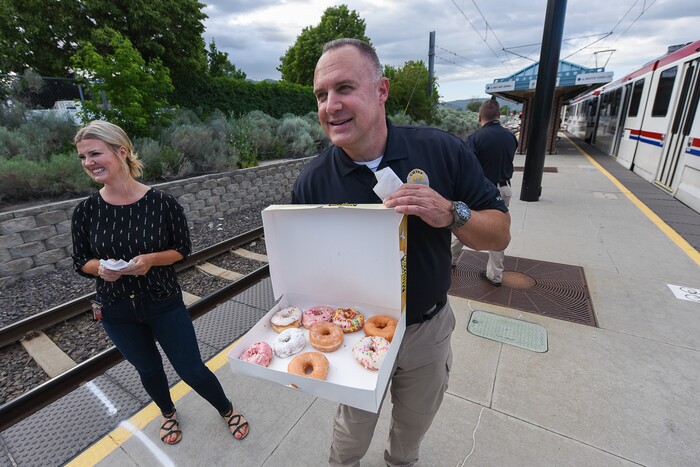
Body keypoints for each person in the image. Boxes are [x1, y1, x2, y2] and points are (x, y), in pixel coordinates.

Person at [292, 38, 510, 467]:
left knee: (410, 433)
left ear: (382, 90)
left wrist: (451, 213)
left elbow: (499, 234)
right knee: (349, 436)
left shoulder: (441, 150)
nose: (330, 105)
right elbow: (305, 273)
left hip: (425, 331)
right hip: (355, 333)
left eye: (344, 88)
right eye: (321, 95)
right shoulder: (311, 183)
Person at [70, 120, 249, 445]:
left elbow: (181, 250)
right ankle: (168, 413)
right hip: (116, 310)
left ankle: (226, 409)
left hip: (163, 302)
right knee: (149, 371)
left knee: (191, 369)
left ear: (121, 151)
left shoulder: (162, 204)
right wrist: (100, 269)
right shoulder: (86, 211)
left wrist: (150, 260)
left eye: (95, 153)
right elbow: (81, 261)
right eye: (82, 157)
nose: (88, 163)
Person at [451, 98, 518, 286]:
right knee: (499, 231)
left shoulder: (475, 138)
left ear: (480, 117)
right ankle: (494, 275)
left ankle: (451, 259)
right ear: (498, 115)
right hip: (504, 189)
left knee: (464, 224)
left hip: (480, 193)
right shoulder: (510, 137)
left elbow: (466, 167)